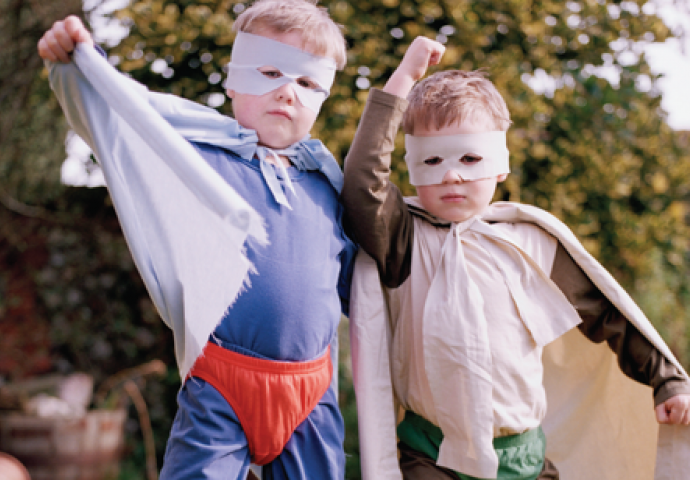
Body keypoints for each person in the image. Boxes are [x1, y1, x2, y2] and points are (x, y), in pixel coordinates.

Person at [342, 37, 690, 480]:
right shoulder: (403, 238)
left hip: (523, 458)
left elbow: (608, 313)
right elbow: (362, 183)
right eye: (432, 160)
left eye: (470, 157)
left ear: (500, 164)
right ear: (413, 164)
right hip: (431, 456)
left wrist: (666, 379)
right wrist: (404, 77)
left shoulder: (531, 243)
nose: (452, 174)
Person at [38, 1, 355, 479]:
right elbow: (123, 120)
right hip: (221, 383)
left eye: (308, 82)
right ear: (233, 80)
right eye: (270, 71)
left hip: (311, 391)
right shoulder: (197, 159)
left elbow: (361, 281)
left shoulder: (327, 184)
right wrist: (79, 64)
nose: (287, 92)